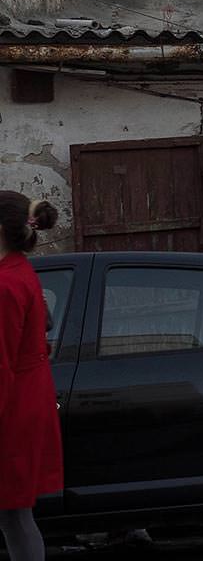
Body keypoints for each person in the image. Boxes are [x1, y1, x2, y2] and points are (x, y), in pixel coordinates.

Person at [0, 193, 63, 561]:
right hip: (27, 397)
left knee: (15, 514)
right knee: (13, 513)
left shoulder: (7, 285)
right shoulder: (20, 270)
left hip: (13, 407)